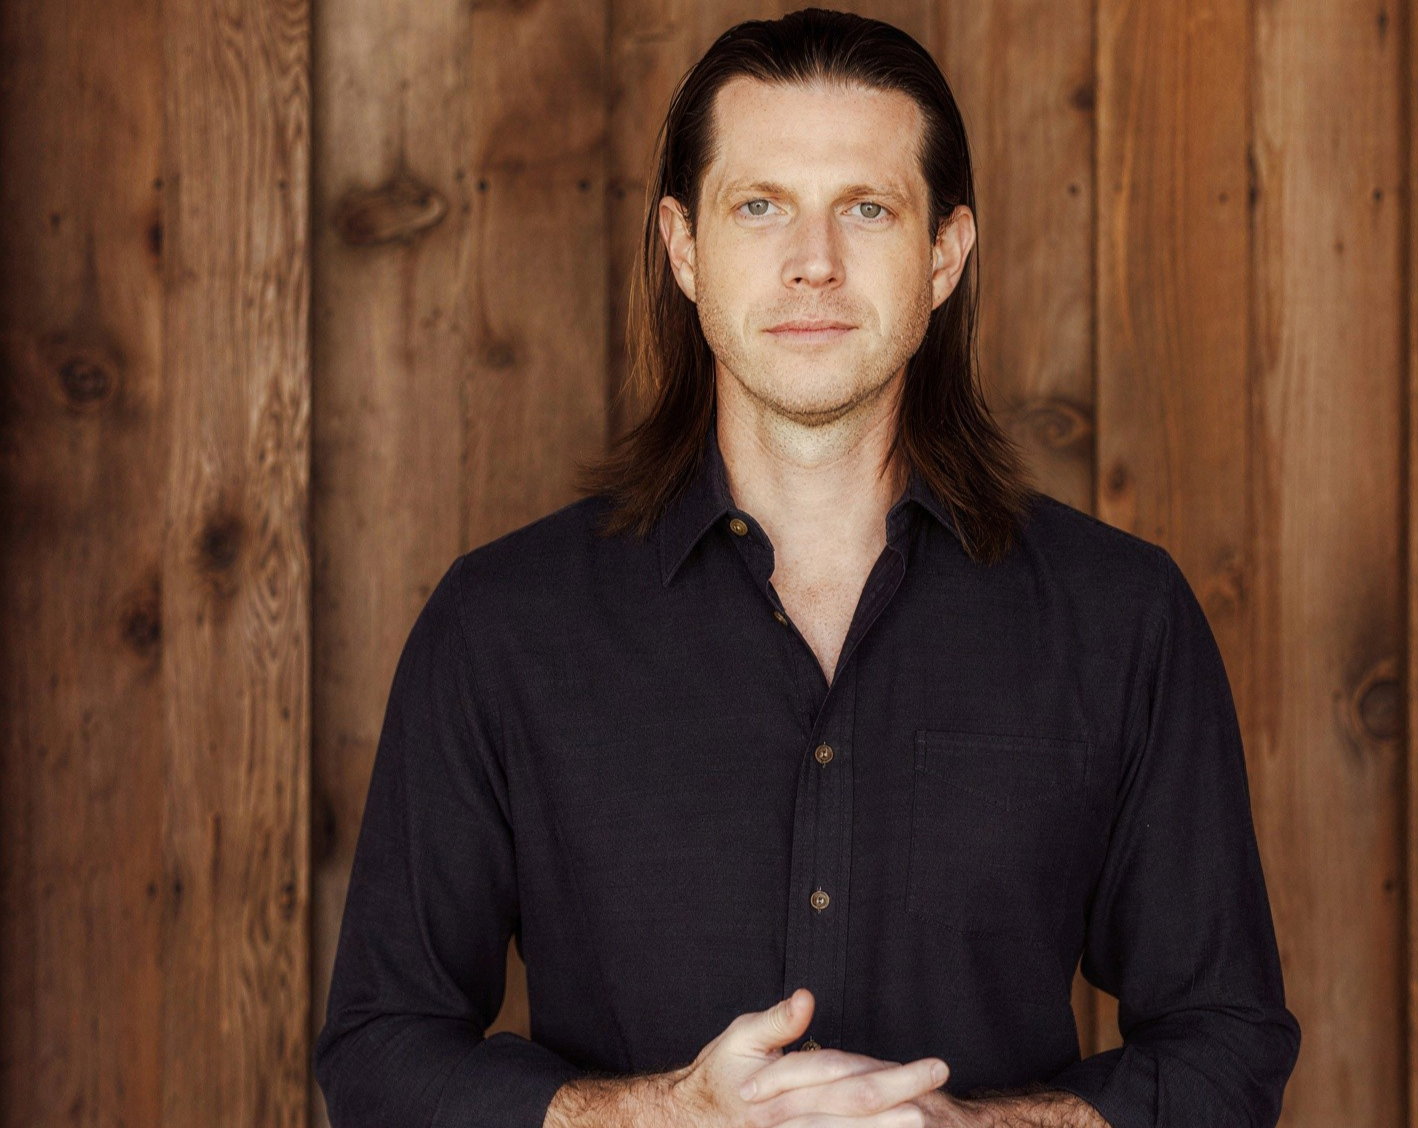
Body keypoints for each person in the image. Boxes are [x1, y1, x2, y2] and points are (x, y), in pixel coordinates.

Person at [313, 9, 1300, 1128]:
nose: (814, 262)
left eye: (866, 208)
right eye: (761, 206)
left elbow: (1227, 1045)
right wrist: (660, 1117)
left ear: (944, 254)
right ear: (685, 248)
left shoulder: (1121, 619)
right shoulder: (500, 626)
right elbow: (380, 1054)